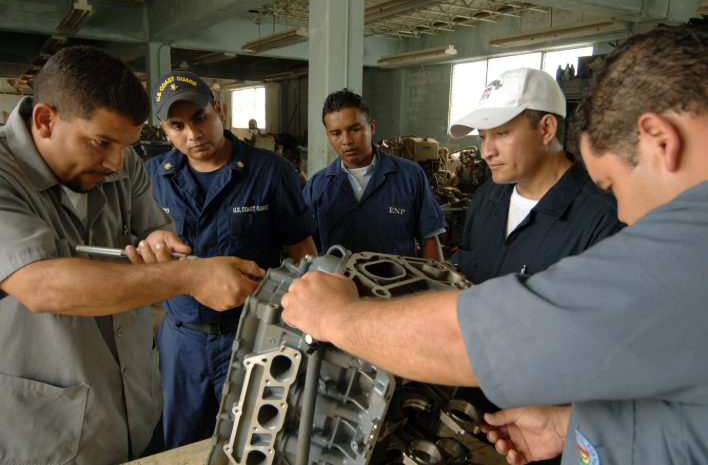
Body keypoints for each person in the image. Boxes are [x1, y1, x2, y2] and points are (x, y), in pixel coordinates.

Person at [280, 24, 708, 465]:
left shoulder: (677, 252)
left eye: (614, 183)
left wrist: (338, 316)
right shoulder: (488, 199)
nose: (624, 212)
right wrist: (569, 426)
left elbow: (467, 338)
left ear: (661, 140)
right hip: (507, 420)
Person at [0, 47, 264, 465]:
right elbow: (39, 284)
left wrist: (162, 240)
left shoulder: (121, 164)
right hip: (46, 429)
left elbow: (157, 227)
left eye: (127, 145)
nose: (116, 162)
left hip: (135, 410)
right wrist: (189, 277)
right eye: (101, 142)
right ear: (45, 121)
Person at [144, 71, 317, 450]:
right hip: (181, 340)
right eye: (178, 125)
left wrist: (311, 322)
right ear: (164, 130)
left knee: (256, 439)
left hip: (252, 335)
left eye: (200, 118)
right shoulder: (152, 178)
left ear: (218, 109)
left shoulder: (271, 171)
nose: (193, 134)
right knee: (181, 441)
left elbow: (302, 251)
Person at [449, 68, 624, 284]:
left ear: (546, 129)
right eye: (483, 137)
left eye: (501, 134)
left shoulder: (603, 221)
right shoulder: (486, 198)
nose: (486, 152)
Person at [303, 89, 447, 260]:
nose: (346, 140)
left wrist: (435, 286)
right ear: (328, 135)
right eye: (336, 133)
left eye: (355, 129)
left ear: (371, 127)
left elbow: (429, 239)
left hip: (395, 285)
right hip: (339, 284)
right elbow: (305, 245)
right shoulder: (317, 186)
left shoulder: (410, 176)